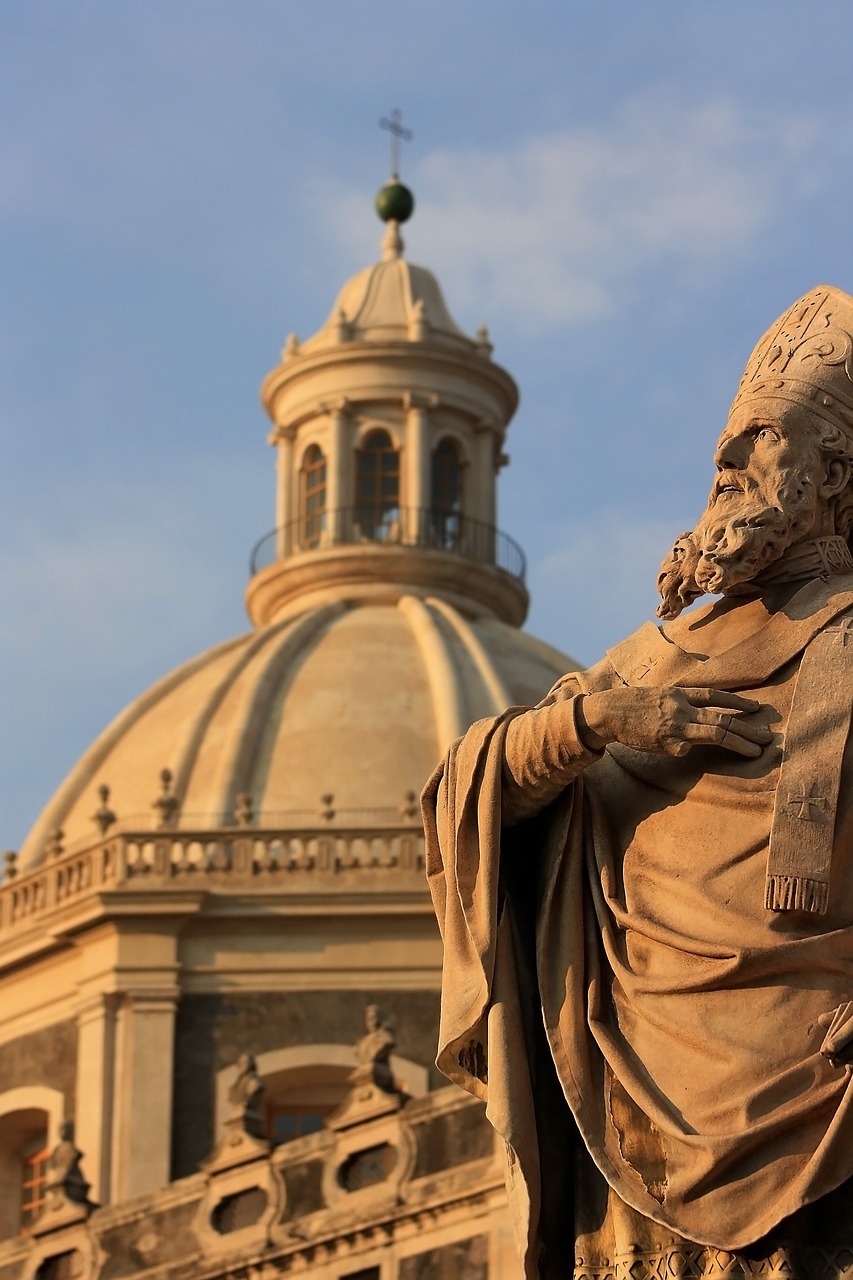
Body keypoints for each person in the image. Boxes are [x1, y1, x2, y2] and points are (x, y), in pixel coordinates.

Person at [423, 285, 853, 1279]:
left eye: (760, 437)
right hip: (625, 1105)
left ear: (835, 469)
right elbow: (463, 798)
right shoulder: (640, 661)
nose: (725, 463)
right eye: (724, 446)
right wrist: (593, 720)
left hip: (821, 1100)